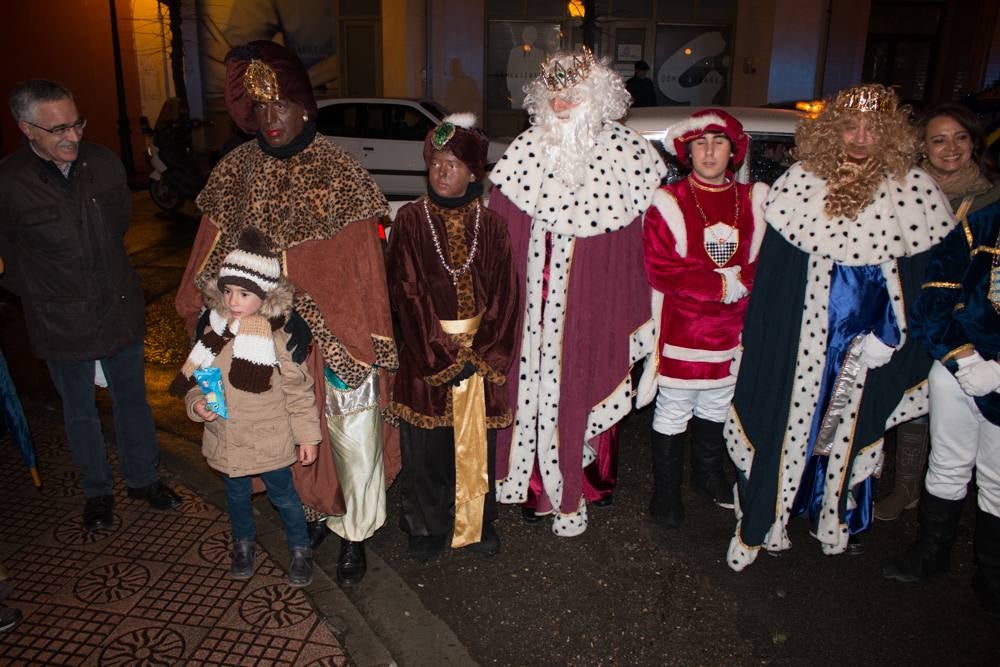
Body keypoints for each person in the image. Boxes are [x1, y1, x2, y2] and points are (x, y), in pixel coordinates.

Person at [175, 41, 398, 587]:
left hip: (338, 338)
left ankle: (354, 535)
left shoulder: (340, 172)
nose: (270, 119)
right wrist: (210, 317)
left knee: (351, 438)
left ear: (303, 106)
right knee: (285, 439)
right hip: (260, 340)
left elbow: (365, 270)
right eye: (259, 109)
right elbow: (208, 258)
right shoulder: (235, 172)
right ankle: (315, 516)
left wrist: (356, 333)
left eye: (280, 106)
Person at [725, 84, 955, 571]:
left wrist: (893, 334)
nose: (860, 137)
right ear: (832, 132)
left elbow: (921, 285)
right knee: (787, 427)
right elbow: (775, 280)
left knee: (849, 429)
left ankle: (833, 514)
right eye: (850, 126)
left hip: (868, 346)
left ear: (889, 135)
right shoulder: (799, 184)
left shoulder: (914, 192)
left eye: (873, 128)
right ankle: (766, 520)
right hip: (802, 339)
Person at [488, 46, 666, 536]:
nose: (563, 104)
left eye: (573, 94)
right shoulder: (523, 152)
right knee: (528, 391)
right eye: (554, 95)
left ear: (597, 97)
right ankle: (532, 485)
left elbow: (643, 246)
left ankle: (583, 481)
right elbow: (500, 234)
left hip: (592, 301)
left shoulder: (629, 158)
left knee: (584, 379)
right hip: (531, 308)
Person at [0, 79, 181, 532]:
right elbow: (6, 262)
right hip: (60, 321)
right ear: (26, 129)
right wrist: (48, 294)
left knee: (133, 402)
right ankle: (97, 491)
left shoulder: (103, 163)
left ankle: (144, 480)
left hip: (118, 307)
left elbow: (117, 226)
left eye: (76, 123)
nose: (73, 137)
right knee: (79, 411)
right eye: (58, 129)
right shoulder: (9, 183)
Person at [881, 110, 1000, 616]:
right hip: (954, 357)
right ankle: (930, 553)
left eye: (959, 139)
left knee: (996, 477)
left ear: (975, 145)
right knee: (946, 460)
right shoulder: (982, 224)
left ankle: (991, 576)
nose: (950, 148)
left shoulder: (986, 201)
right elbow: (939, 293)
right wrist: (965, 359)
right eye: (938, 140)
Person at [387, 113, 521, 561]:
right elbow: (405, 292)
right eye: (435, 162)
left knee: (475, 446)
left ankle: (477, 523)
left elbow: (507, 295)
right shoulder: (408, 220)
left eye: (453, 164)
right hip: (426, 357)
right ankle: (425, 526)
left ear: (473, 172)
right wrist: (442, 354)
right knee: (424, 451)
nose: (442, 172)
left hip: (479, 359)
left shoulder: (493, 225)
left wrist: (481, 355)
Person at [636, 109, 768, 528]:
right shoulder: (668, 201)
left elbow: (764, 261)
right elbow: (660, 267)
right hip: (684, 329)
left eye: (719, 143)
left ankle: (707, 476)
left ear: (734, 151)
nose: (710, 152)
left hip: (734, 331)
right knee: (674, 407)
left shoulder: (754, 200)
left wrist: (741, 283)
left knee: (716, 404)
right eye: (700, 144)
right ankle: (666, 490)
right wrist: (722, 287)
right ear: (687, 152)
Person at [177, 227, 320, 586]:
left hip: (269, 438)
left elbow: (299, 393)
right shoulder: (213, 333)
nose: (234, 301)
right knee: (236, 496)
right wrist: (198, 407)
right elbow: (196, 383)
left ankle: (300, 547)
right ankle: (243, 543)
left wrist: (307, 438)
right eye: (227, 291)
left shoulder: (278, 339)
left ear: (266, 297)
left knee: (284, 496)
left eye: (244, 293)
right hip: (226, 435)